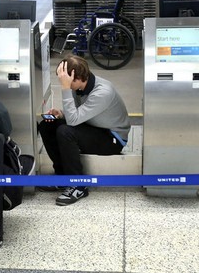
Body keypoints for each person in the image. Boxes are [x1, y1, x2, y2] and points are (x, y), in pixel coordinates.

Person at [38, 55, 130, 206]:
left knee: (65, 132)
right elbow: (78, 114)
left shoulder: (102, 92)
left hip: (112, 139)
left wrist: (66, 89)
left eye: (66, 80)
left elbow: (73, 120)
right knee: (46, 125)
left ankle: (78, 185)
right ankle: (62, 177)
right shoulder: (80, 86)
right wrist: (61, 113)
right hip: (93, 126)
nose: (63, 83)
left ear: (78, 78)